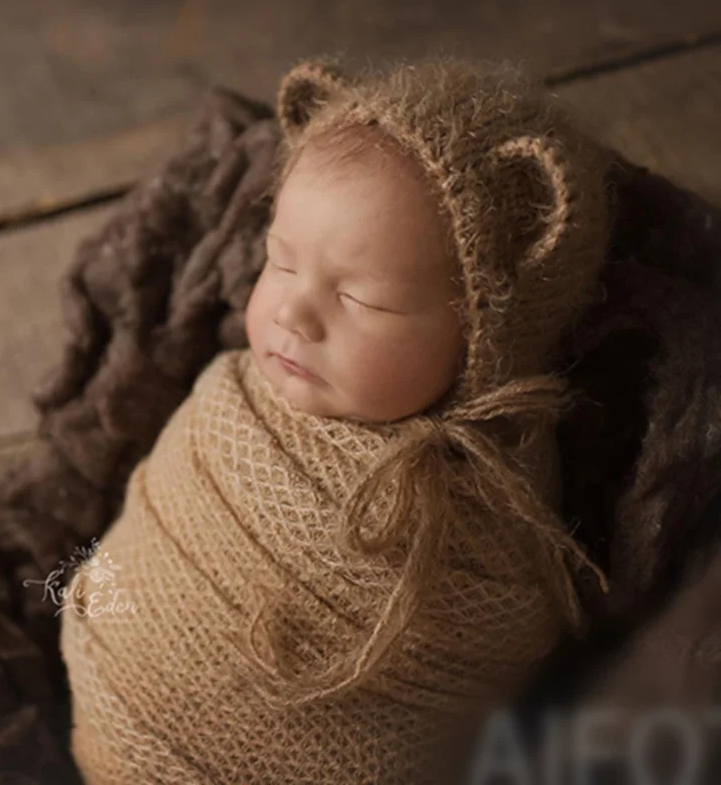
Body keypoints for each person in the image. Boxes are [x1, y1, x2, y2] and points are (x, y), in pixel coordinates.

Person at [60, 56, 611, 784]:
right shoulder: (230, 403)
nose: (291, 310)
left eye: (365, 301)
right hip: (98, 713)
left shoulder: (485, 531)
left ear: (484, 340)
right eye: (280, 263)